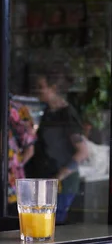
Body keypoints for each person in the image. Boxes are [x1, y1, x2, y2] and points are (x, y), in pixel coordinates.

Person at [25, 72, 89, 224]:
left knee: (50, 227)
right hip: (47, 183)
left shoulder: (67, 115)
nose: (37, 90)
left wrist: (57, 179)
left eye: (41, 87)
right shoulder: (48, 111)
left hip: (61, 186)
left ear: (53, 88)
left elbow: (83, 151)